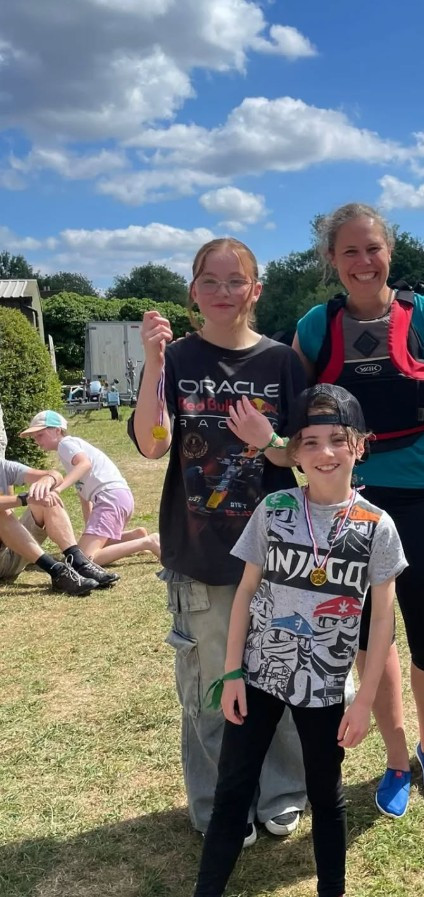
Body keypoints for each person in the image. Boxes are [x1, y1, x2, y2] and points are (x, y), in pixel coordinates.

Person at [288, 203, 424, 819]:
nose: (363, 261)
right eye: (349, 251)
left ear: (389, 252)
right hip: (352, 506)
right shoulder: (315, 329)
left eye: (372, 248)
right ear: (332, 261)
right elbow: (295, 418)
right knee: (372, 642)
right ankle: (397, 758)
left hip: (423, 500)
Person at [193, 384, 406, 897]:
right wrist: (231, 673)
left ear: (360, 445)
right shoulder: (274, 508)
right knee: (231, 790)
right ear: (294, 453)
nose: (325, 453)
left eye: (337, 439)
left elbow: (381, 624)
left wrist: (363, 702)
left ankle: (332, 888)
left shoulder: (377, 527)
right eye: (309, 442)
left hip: (326, 687)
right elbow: (245, 593)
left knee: (325, 794)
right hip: (259, 676)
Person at [129, 237, 308, 846]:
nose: (224, 293)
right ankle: (219, 803)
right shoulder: (177, 359)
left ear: (256, 291)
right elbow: (153, 443)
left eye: (238, 282)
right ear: (193, 292)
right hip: (200, 557)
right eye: (211, 281)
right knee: (210, 686)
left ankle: (283, 792)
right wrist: (153, 363)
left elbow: (305, 458)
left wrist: (266, 440)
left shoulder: (283, 363)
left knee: (278, 678)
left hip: (278, 552)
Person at [21, 410, 159, 567]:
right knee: (84, 550)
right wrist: (89, 525)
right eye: (34, 437)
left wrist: (57, 490)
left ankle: (149, 542)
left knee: (85, 559)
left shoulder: (65, 444)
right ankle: (136, 537)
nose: (36, 441)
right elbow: (84, 495)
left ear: (57, 430)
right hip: (117, 498)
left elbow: (85, 464)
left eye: (40, 435)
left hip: (110, 499)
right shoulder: (68, 449)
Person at [0, 455, 114, 594]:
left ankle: (79, 562)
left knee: (48, 498)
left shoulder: (3, 467)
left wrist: (48, 480)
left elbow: (55, 475)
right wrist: (24, 499)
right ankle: (57, 571)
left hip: (10, 552)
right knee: (2, 513)